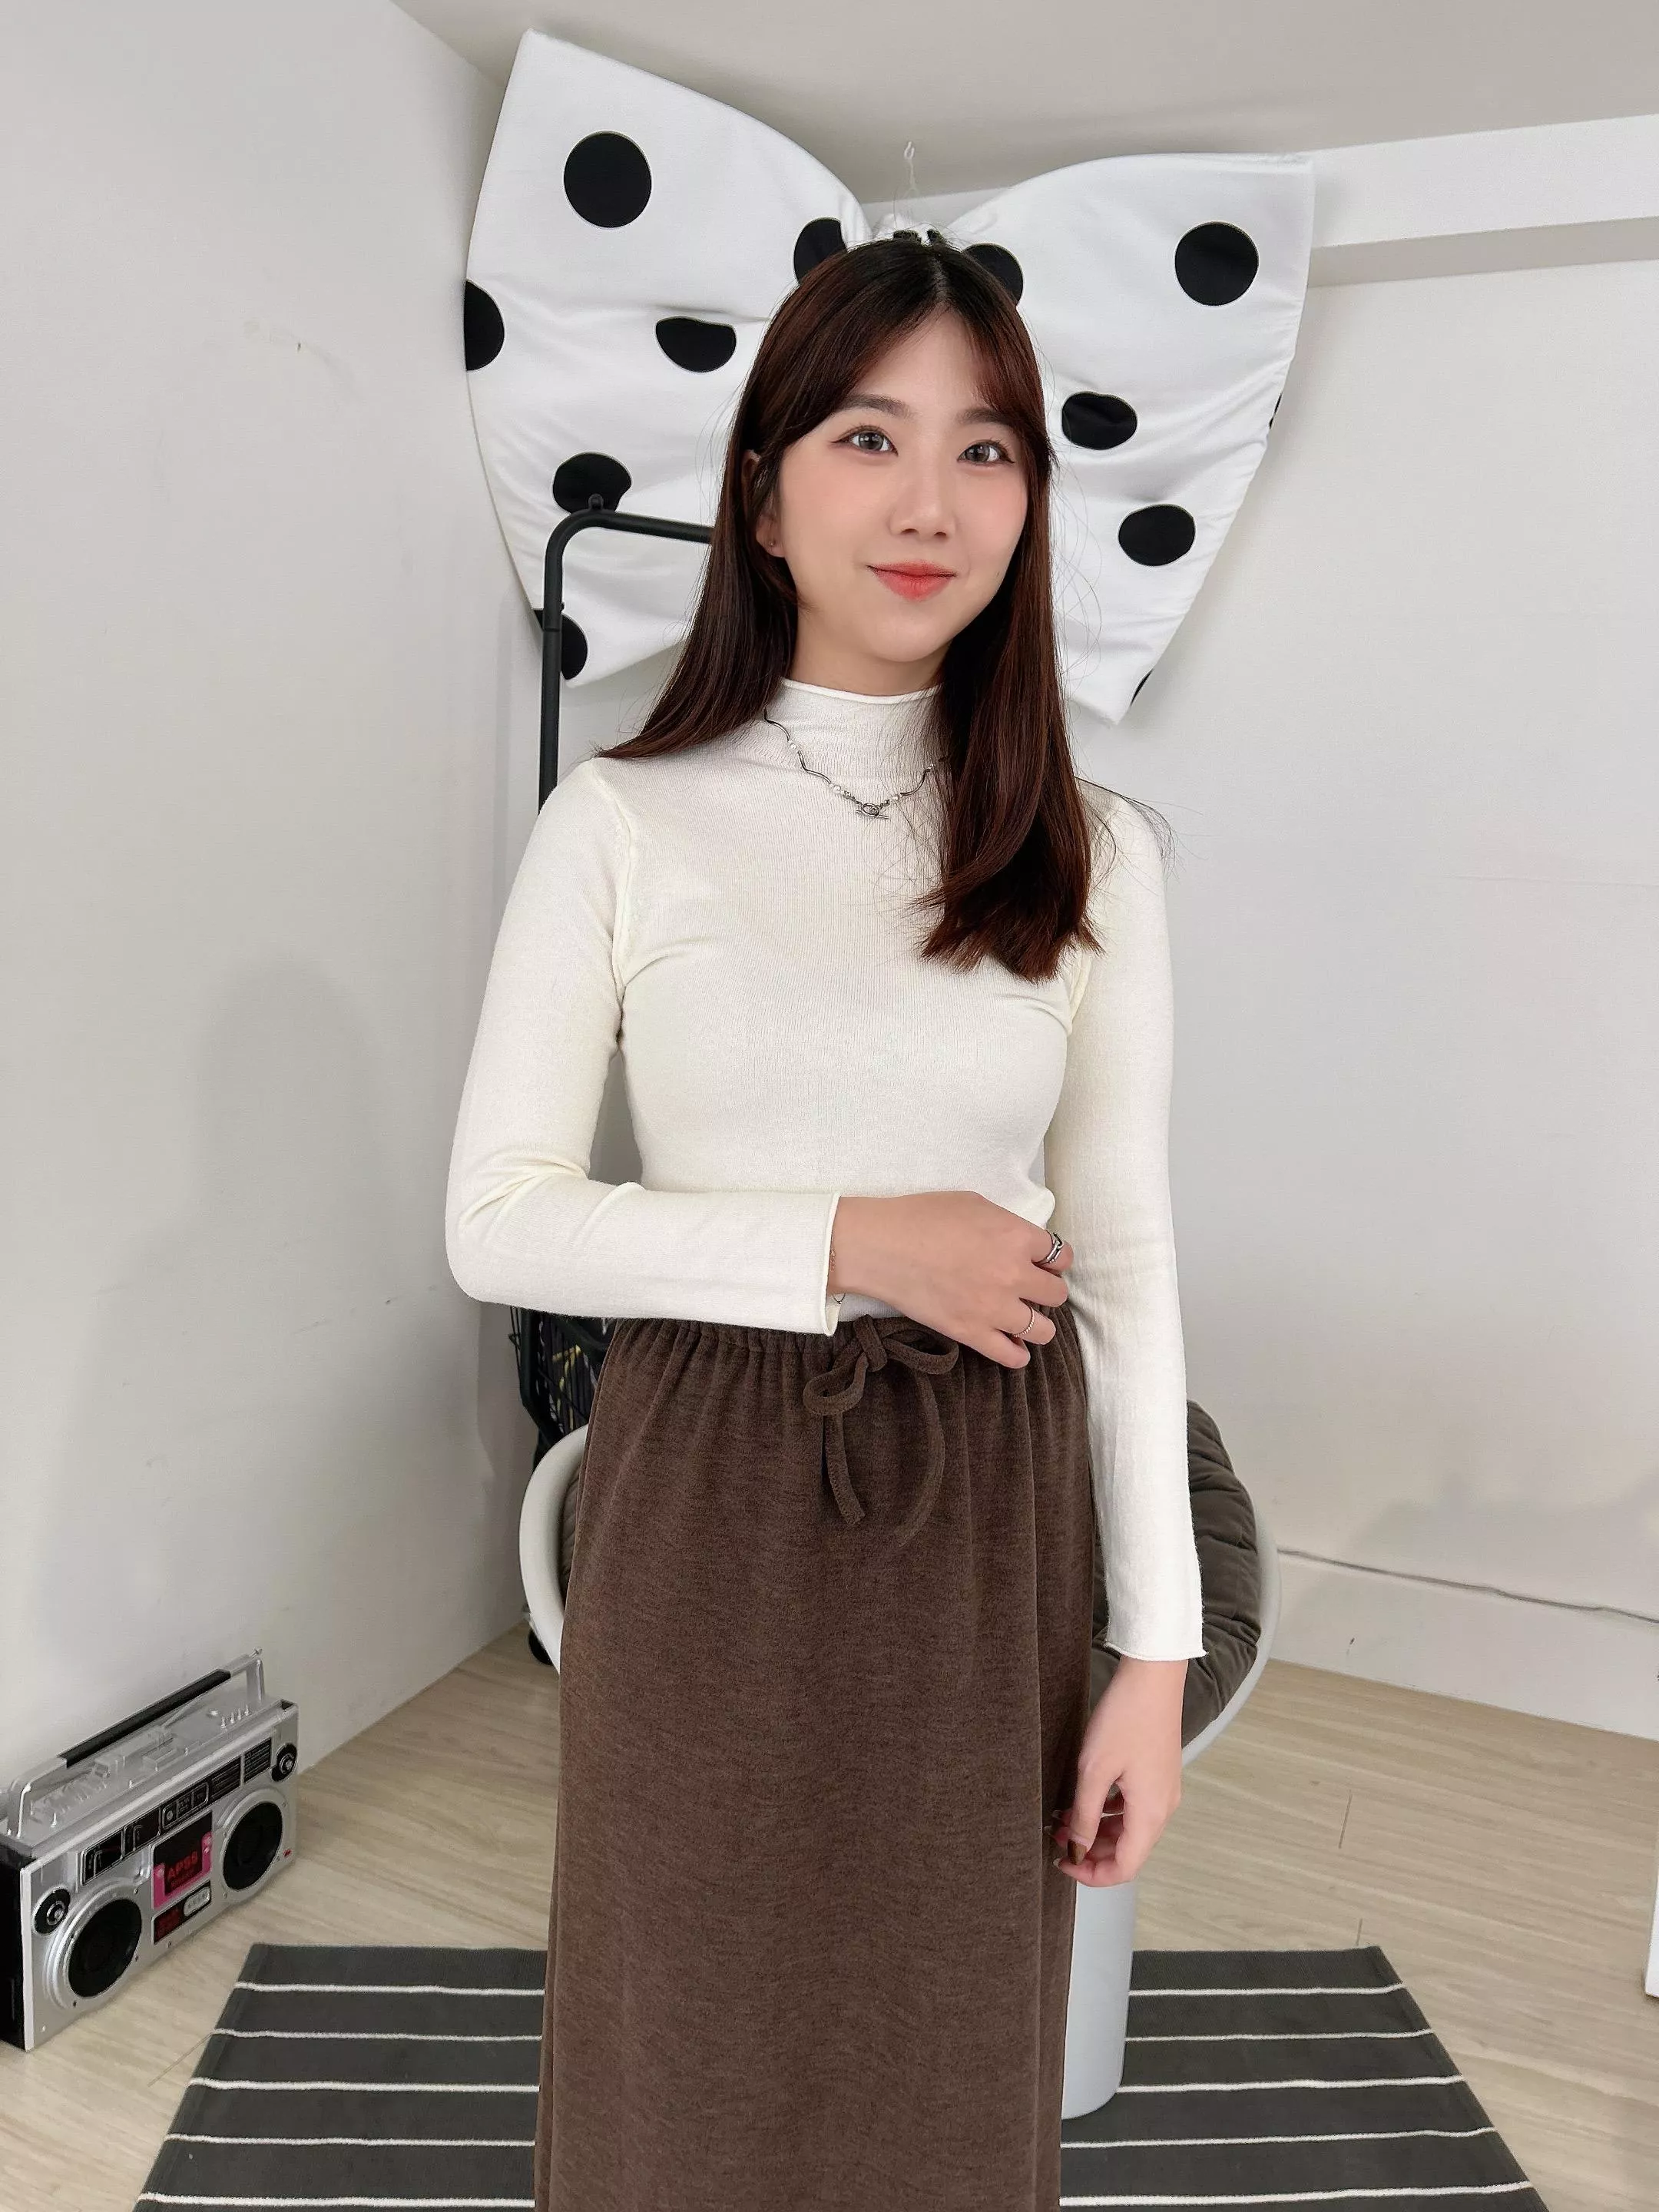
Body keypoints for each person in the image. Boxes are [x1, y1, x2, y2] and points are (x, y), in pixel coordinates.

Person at [445, 229, 1207, 2212]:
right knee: (683, 2017)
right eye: (870, 436)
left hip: (991, 1510)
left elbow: (1126, 1260)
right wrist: (853, 1240)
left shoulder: (1099, 851)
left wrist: (1155, 1653)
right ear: (766, 498)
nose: (929, 501)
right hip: (707, 1487)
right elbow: (499, 1222)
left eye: (985, 449)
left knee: (952, 2029)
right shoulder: (625, 818)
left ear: (1030, 507)